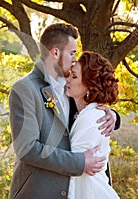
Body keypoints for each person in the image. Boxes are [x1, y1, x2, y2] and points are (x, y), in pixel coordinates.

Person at [8, 23, 120, 198]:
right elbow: (27, 149)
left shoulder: (72, 86)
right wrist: (80, 162)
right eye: (72, 53)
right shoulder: (25, 89)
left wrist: (113, 116)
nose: (74, 60)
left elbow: (88, 111)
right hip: (39, 192)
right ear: (55, 53)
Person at [66, 51, 119, 198]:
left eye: (74, 76)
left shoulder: (92, 118)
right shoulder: (81, 112)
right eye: (70, 73)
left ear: (90, 86)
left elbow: (70, 169)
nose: (68, 79)